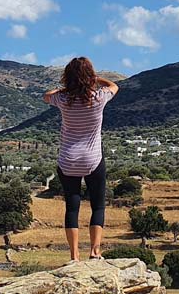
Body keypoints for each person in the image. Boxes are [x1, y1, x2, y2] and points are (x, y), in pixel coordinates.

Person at [43, 56, 119, 262]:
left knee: (72, 207)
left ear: (68, 77)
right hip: (92, 159)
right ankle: (95, 251)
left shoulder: (63, 100)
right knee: (98, 206)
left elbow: (46, 95)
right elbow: (114, 86)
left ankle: (74, 255)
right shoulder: (99, 97)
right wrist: (96, 79)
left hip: (67, 160)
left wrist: (67, 88)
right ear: (90, 76)